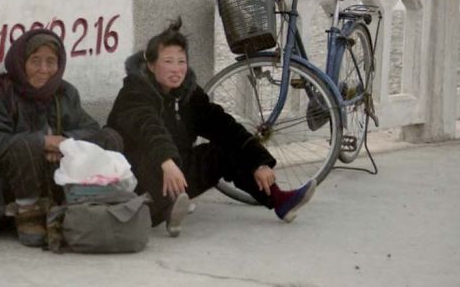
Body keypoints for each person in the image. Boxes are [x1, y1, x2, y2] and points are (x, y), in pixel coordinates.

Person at [106, 18, 316, 237]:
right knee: (151, 156)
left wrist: (259, 161)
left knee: (223, 150)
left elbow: (223, 125)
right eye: (168, 61)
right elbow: (148, 128)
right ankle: (162, 207)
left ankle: (279, 200)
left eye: (181, 62)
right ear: (150, 64)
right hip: (137, 181)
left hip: (176, 175)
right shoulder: (135, 92)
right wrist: (166, 161)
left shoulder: (188, 93)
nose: (176, 69)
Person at [0, 28, 122, 247]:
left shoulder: (64, 92)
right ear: (21, 62)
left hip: (54, 177)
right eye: (35, 61)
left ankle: (89, 205)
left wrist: (63, 142)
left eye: (51, 62)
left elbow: (90, 129)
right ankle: (29, 214)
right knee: (26, 145)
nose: (43, 70)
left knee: (109, 138)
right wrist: (43, 142)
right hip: (5, 186)